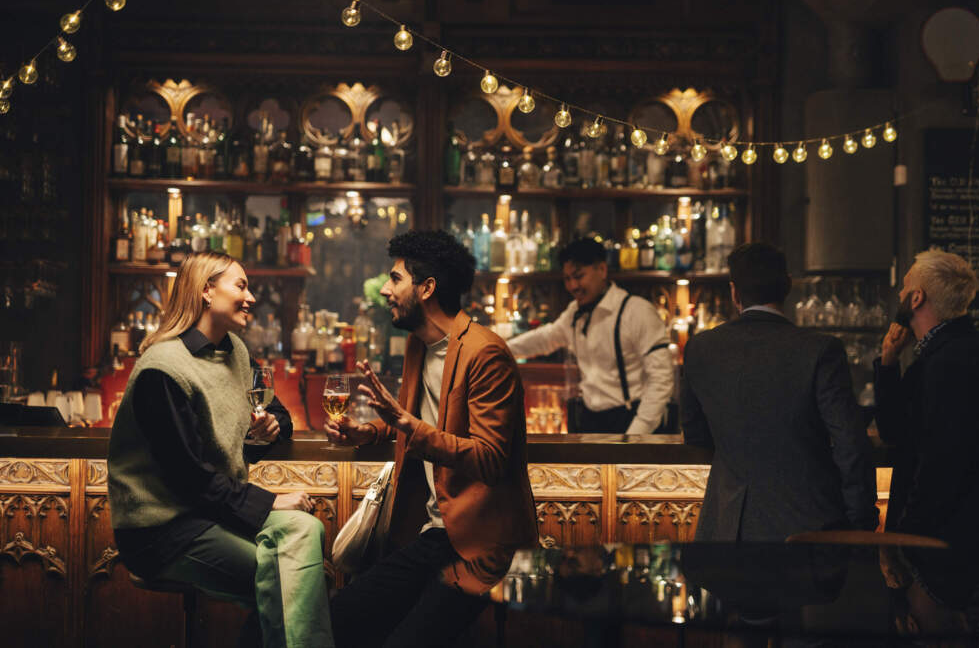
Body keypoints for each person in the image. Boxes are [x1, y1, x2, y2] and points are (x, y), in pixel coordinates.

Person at [108, 251, 333, 648]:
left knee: (308, 529)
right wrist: (269, 503)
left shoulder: (234, 350)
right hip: (164, 531)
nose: (250, 298)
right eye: (241, 286)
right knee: (291, 577)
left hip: (211, 513)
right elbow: (188, 477)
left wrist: (270, 425)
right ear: (207, 291)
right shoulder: (163, 369)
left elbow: (275, 408)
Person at [325, 230, 538, 648]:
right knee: (337, 616)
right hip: (431, 533)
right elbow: (414, 419)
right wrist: (368, 430)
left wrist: (408, 425)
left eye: (395, 278)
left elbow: (492, 457)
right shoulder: (419, 345)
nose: (385, 290)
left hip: (480, 544)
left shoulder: (485, 353)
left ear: (426, 289)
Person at [682, 242, 877, 541]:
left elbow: (696, 435)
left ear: (734, 292)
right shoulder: (820, 350)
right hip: (808, 529)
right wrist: (862, 522)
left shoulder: (700, 347)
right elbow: (850, 443)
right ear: (787, 286)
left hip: (727, 530)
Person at [875, 249, 979, 618]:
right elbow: (894, 430)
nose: (899, 293)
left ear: (918, 298)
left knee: (935, 635)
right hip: (943, 537)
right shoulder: (943, 353)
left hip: (943, 543)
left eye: (906, 285)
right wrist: (887, 362)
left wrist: (907, 535)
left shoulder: (951, 362)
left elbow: (941, 463)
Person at [505, 237, 673, 434]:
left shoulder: (637, 312)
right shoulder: (574, 313)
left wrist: (636, 435)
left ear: (602, 270)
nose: (572, 286)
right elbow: (545, 338)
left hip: (630, 420)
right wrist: (497, 347)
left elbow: (662, 379)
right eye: (567, 279)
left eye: (578, 276)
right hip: (588, 421)